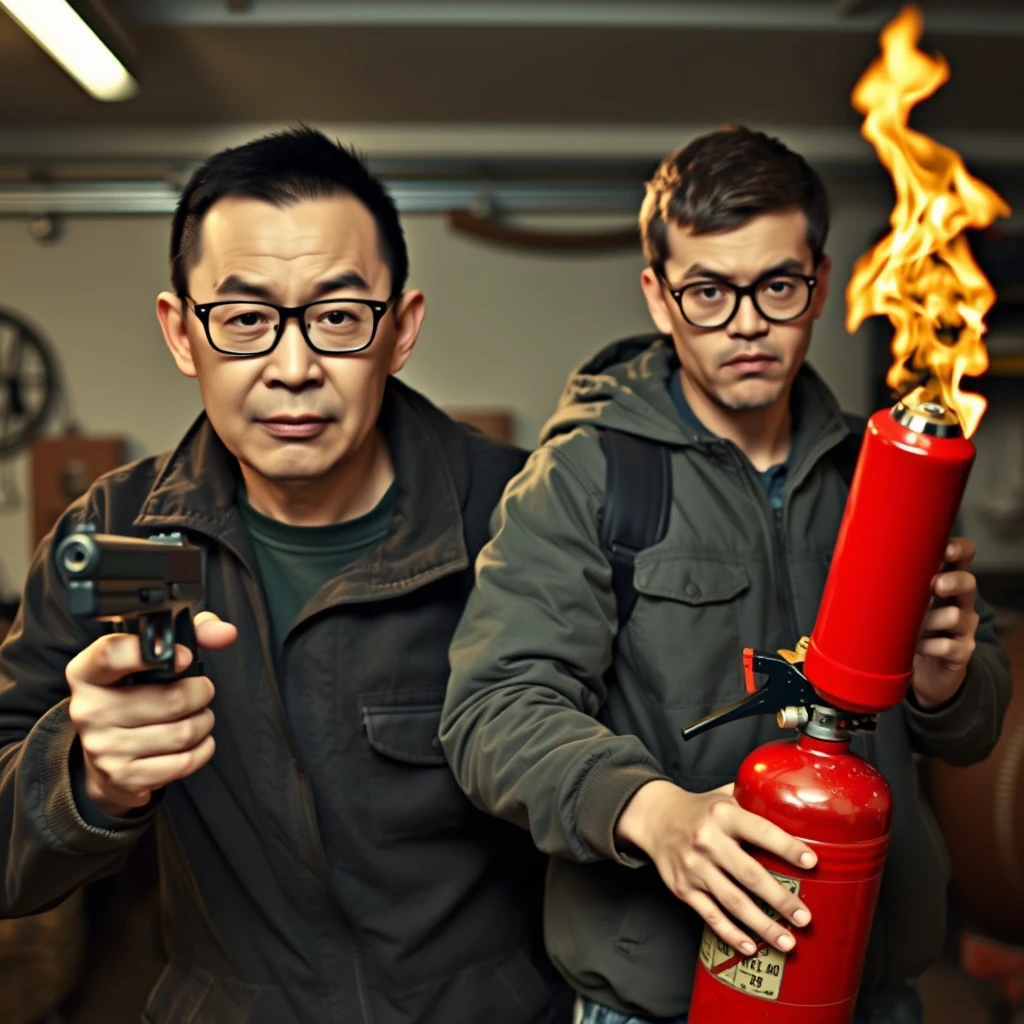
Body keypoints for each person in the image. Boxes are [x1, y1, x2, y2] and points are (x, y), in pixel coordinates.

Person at [440, 125, 1012, 1024]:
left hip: (871, 992)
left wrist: (946, 686)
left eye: (776, 286)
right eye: (708, 290)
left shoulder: (886, 475)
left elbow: (975, 725)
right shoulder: (587, 474)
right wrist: (652, 812)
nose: (746, 322)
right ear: (659, 298)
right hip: (660, 1001)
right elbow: (493, 711)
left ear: (820, 284)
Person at [0, 127, 568, 1024]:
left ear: (402, 330)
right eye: (245, 319)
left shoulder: (522, 516)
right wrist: (87, 779)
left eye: (339, 318)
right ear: (182, 333)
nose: (293, 368)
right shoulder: (119, 535)